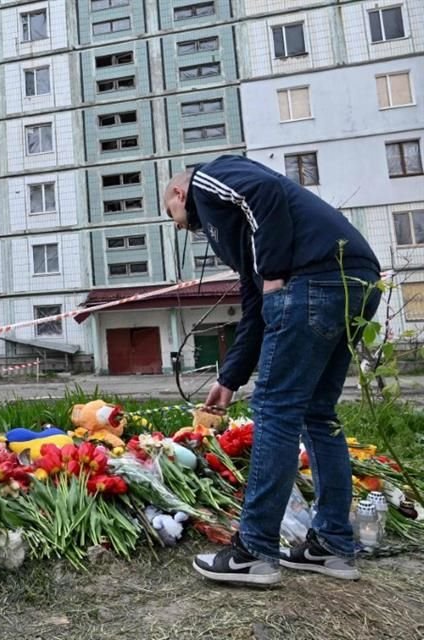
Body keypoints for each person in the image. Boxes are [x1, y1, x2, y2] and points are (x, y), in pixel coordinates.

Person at [163, 155, 381, 586]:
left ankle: (255, 552)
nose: (180, 226)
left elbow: (265, 192)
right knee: (317, 415)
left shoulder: (210, 178)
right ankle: (333, 545)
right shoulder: (249, 230)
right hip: (357, 282)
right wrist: (229, 379)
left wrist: (277, 275)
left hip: (314, 279)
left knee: (275, 411)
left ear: (178, 194)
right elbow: (254, 302)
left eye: (173, 216)